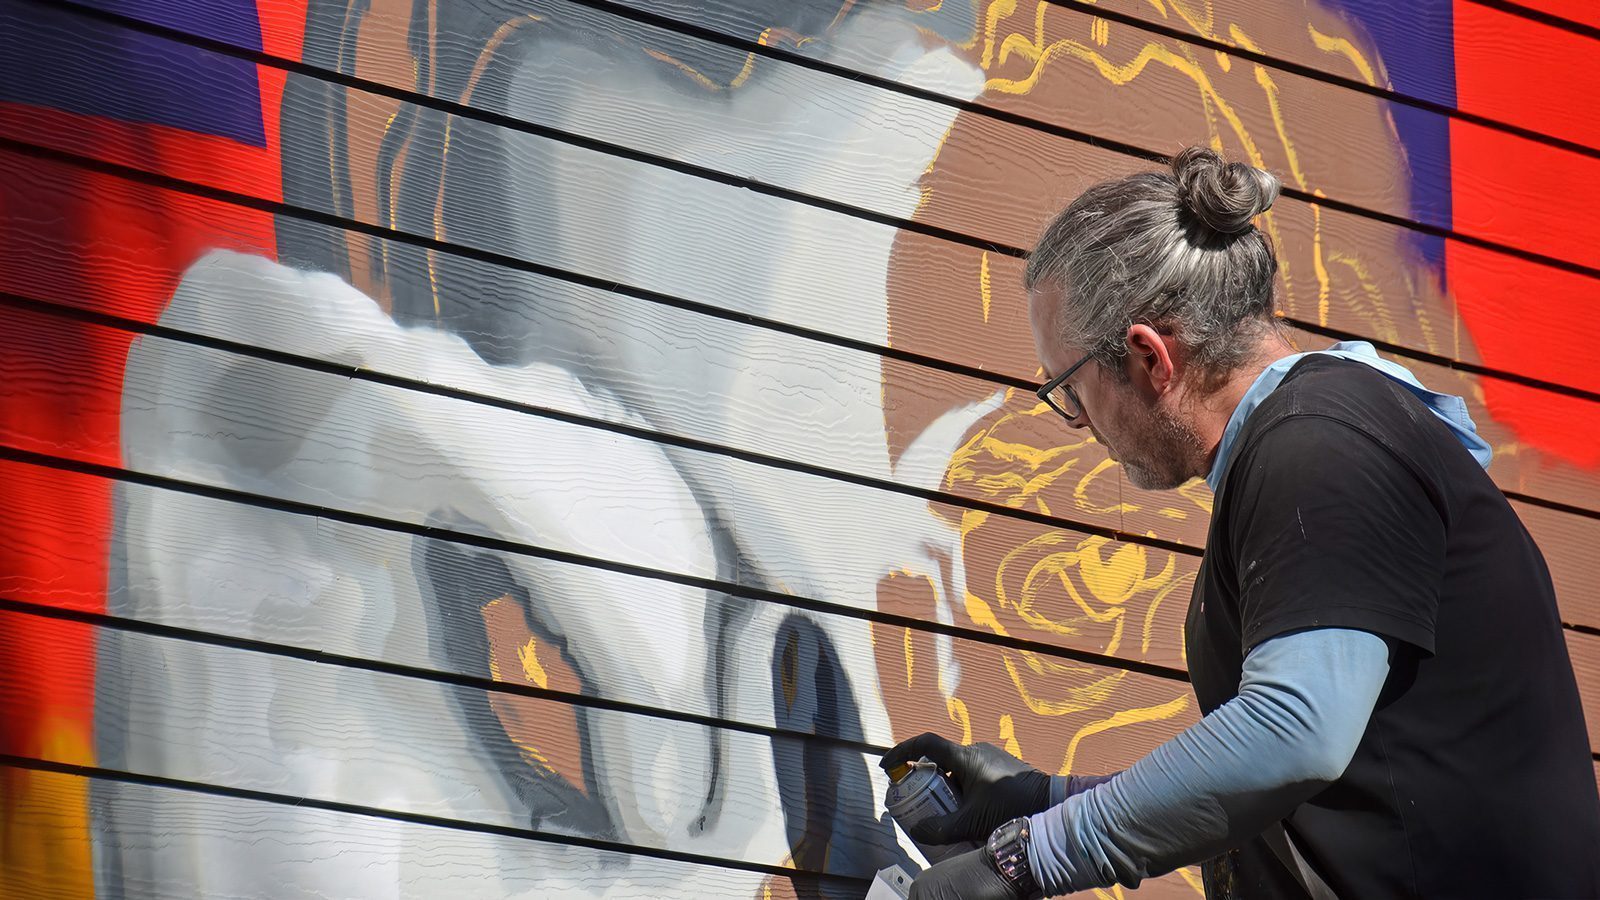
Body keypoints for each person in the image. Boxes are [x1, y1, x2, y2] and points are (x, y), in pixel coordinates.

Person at [881, 146, 1600, 899]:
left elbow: (1293, 732)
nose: (1077, 424)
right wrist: (1047, 803)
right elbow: (1289, 792)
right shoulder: (1326, 435)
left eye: (1069, 390)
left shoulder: (1320, 445)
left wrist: (1026, 860)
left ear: (1147, 357)